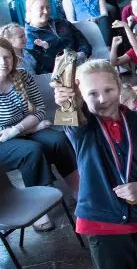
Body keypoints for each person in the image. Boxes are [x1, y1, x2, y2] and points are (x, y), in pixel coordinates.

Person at [52, 59, 137, 269]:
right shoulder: (80, 128)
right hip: (102, 223)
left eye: (108, 90)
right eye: (92, 93)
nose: (102, 99)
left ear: (119, 84)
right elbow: (69, 116)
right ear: (80, 93)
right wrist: (65, 102)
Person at [0, 38, 79, 231]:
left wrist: (18, 130)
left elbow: (40, 110)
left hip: (23, 129)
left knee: (58, 140)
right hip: (3, 141)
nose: (3, 62)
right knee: (32, 151)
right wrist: (25, 130)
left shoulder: (23, 75)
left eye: (7, 57)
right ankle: (39, 209)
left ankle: (79, 191)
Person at [23, 0, 90, 73]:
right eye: (41, 8)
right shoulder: (28, 36)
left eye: (48, 7)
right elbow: (42, 64)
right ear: (30, 10)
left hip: (81, 62)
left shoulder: (61, 22)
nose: (46, 11)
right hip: (59, 73)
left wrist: (83, 52)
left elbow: (81, 40)